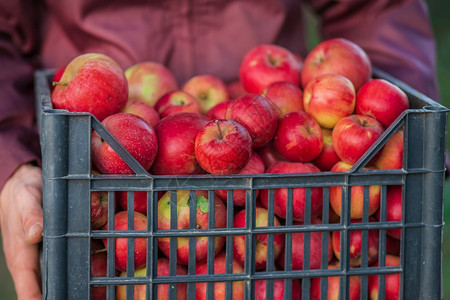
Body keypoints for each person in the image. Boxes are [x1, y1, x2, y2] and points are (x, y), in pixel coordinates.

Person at [0, 0, 443, 299]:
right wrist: (13, 158)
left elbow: (376, 7)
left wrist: (402, 133)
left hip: (272, 138)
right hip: (93, 152)